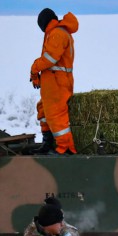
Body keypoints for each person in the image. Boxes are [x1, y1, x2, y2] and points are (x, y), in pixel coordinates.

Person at [30, 8, 78, 156]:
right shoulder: (54, 33)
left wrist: (34, 68)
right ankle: (48, 142)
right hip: (51, 82)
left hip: (58, 82)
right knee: (44, 109)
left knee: (56, 114)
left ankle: (65, 148)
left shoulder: (57, 34)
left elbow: (50, 58)